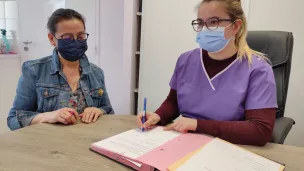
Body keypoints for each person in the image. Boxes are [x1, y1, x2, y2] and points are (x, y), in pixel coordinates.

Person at [137, 0, 277, 146]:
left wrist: (198, 125)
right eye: (200, 23)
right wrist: (158, 116)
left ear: (235, 26)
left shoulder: (258, 70)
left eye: (213, 22)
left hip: (230, 148)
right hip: (184, 143)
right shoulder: (186, 60)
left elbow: (260, 131)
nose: (204, 29)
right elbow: (174, 102)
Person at [7, 9, 113, 131]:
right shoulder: (34, 71)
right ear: (52, 39)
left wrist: (98, 111)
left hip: (86, 141)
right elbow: (13, 120)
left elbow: (109, 110)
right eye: (67, 38)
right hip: (47, 144)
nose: (75, 41)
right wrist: (47, 116)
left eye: (80, 36)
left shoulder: (96, 72)